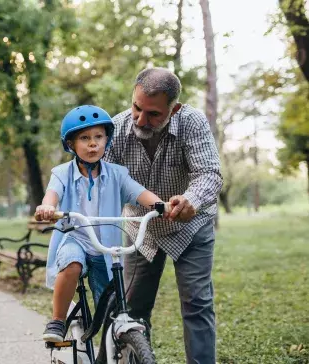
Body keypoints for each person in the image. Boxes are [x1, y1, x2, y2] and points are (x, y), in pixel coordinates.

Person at [103, 67, 223, 364]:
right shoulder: (116, 128)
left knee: (197, 304)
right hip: (141, 229)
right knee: (133, 308)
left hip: (191, 226)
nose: (141, 120)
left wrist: (191, 200)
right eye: (136, 107)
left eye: (153, 114)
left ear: (175, 108)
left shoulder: (192, 122)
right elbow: (102, 180)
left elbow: (209, 172)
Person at [35, 105, 169, 343]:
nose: (92, 144)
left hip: (105, 248)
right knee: (72, 264)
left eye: (98, 137)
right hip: (74, 239)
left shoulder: (117, 174)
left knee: (110, 308)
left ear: (107, 141)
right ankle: (57, 320)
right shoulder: (61, 173)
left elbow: (139, 192)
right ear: (71, 145)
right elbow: (52, 194)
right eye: (84, 138)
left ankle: (114, 348)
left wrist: (162, 205)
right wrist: (48, 207)